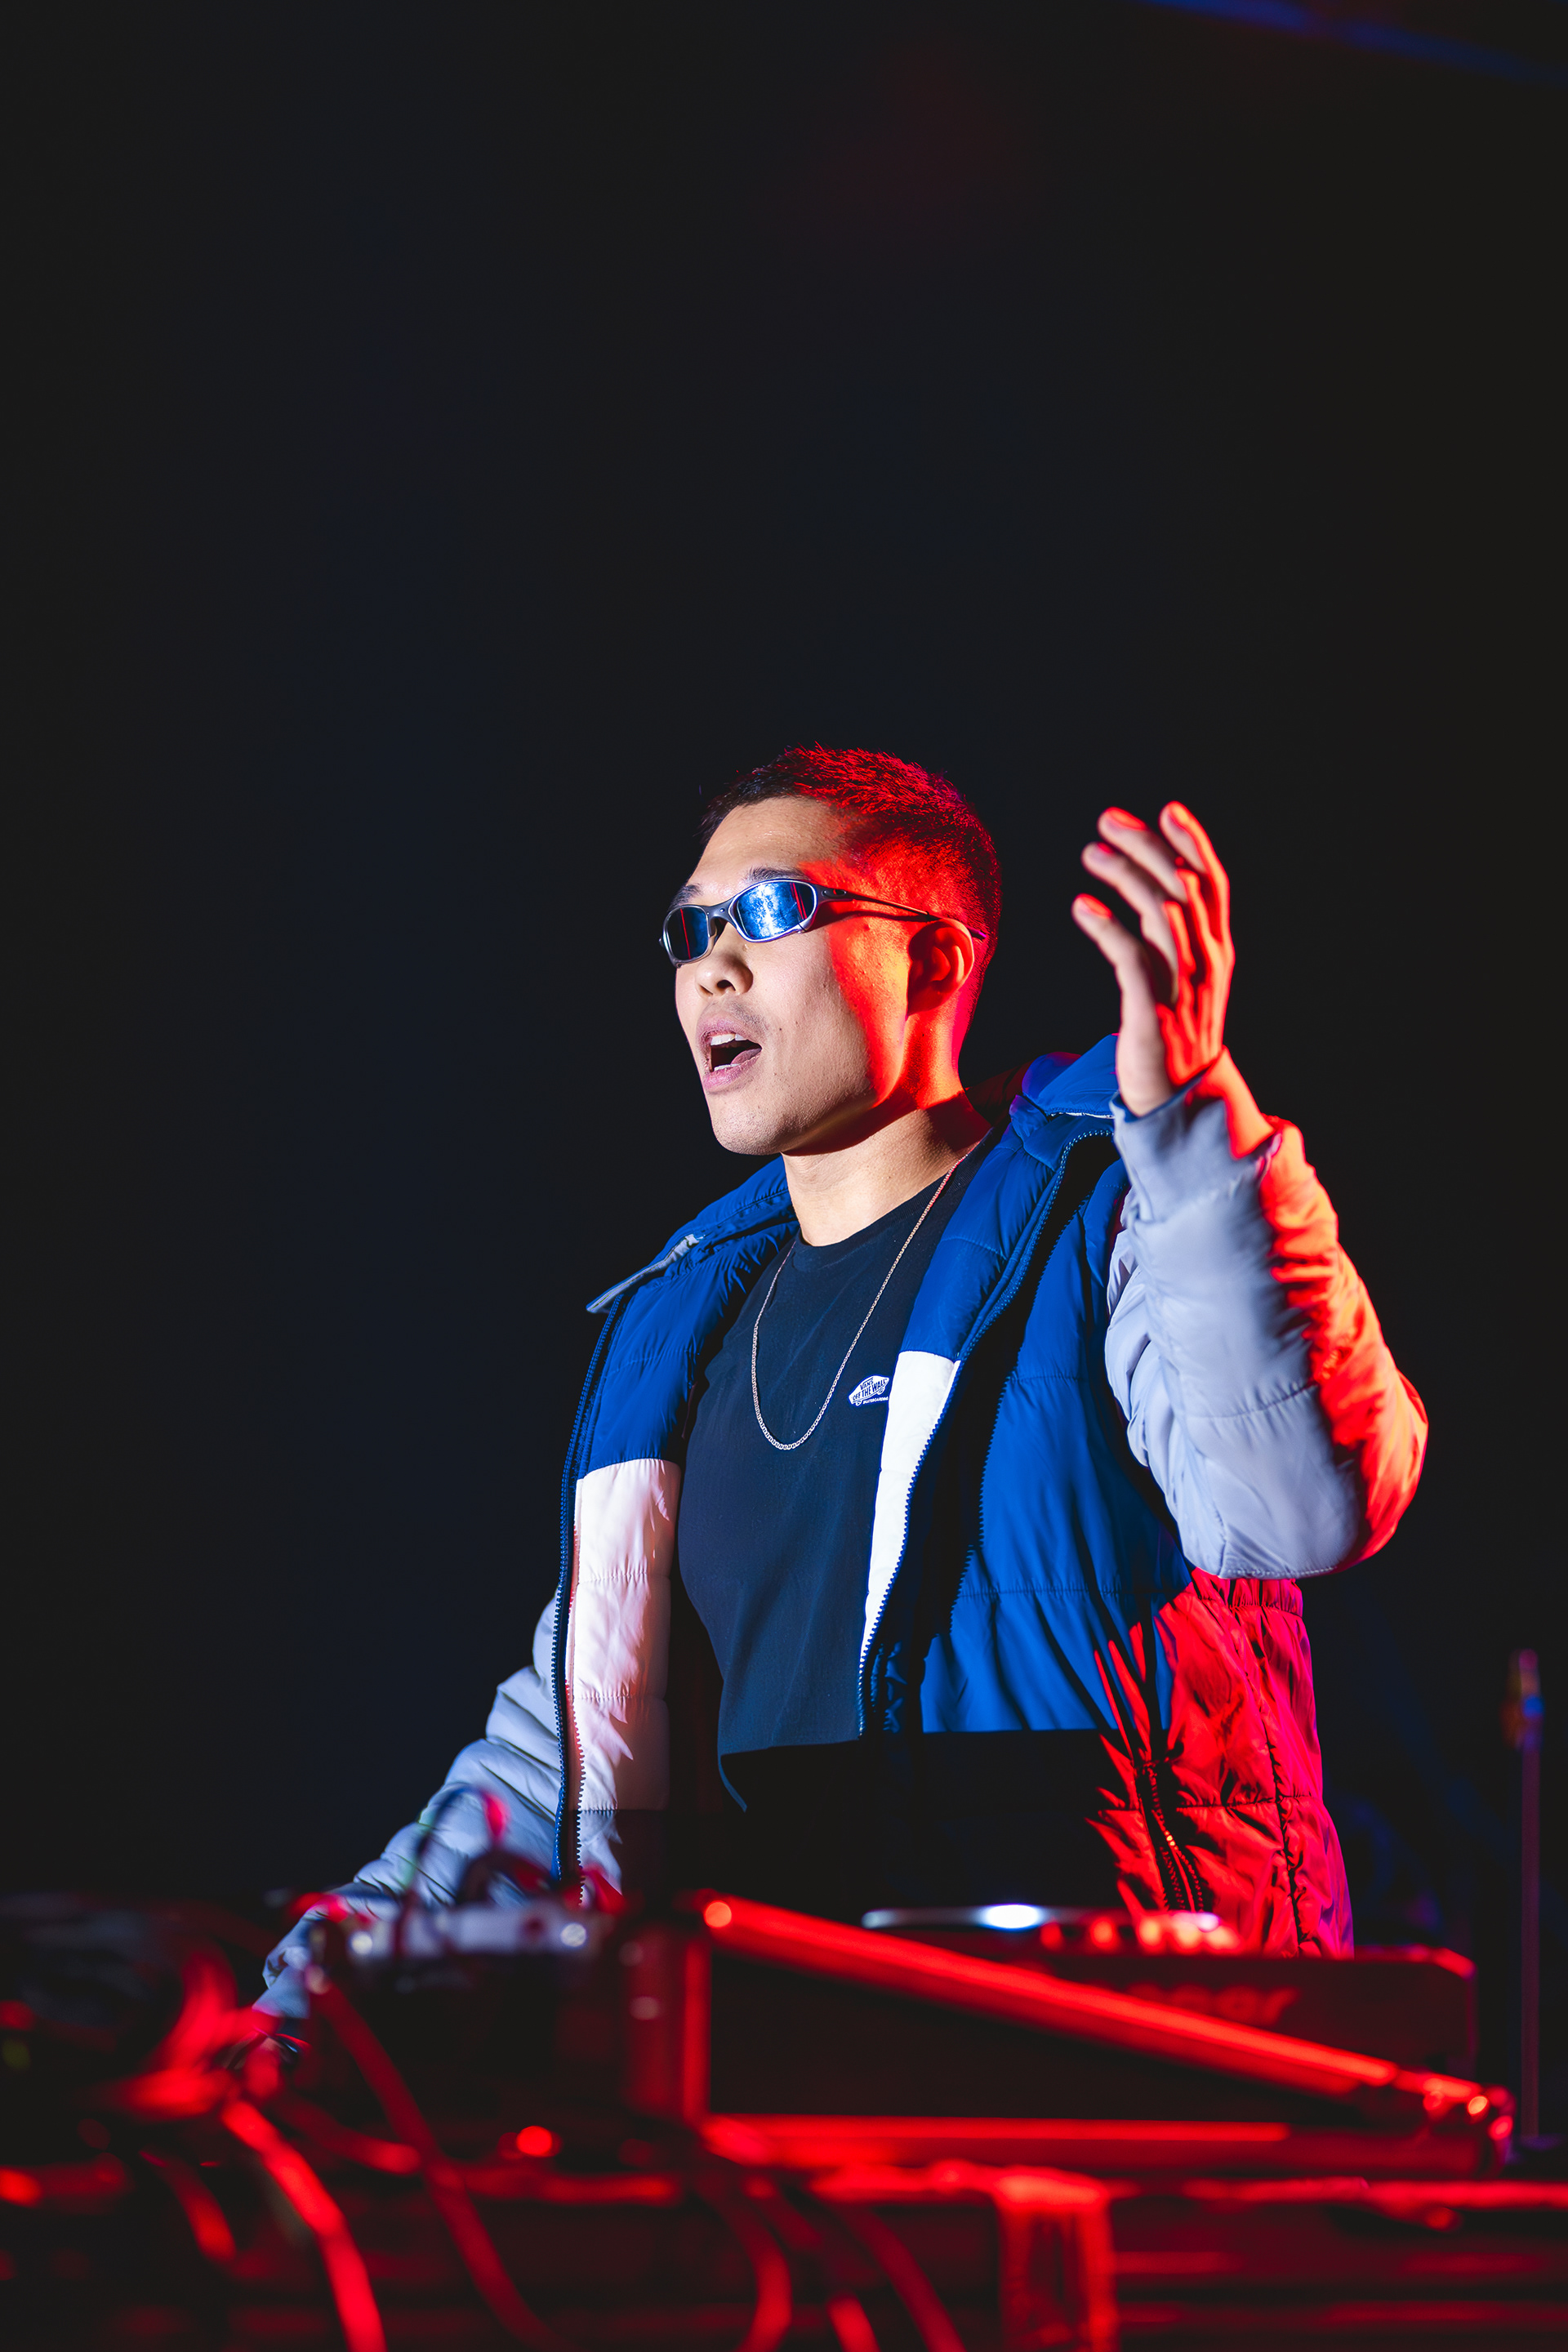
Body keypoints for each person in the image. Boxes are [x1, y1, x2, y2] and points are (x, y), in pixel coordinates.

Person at [262, 747, 1425, 2011]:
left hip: (1108, 2058)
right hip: (780, 2084)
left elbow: (1302, 1508)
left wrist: (1191, 1125)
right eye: (690, 929)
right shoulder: (675, 1327)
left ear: (934, 962)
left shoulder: (1116, 1217)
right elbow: (556, 1761)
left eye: (771, 910)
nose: (713, 965)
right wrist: (287, 2015)